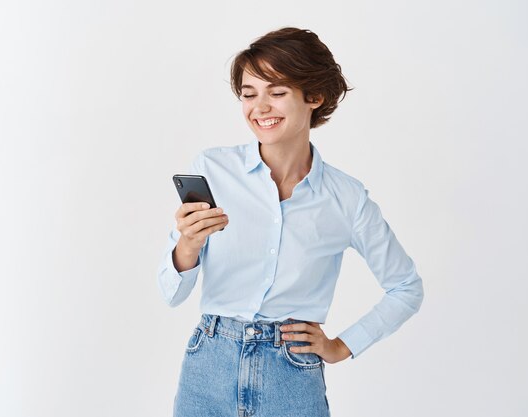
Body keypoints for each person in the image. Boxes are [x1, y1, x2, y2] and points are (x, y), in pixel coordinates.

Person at [157, 27, 424, 417]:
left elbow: (406, 287)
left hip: (291, 375)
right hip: (209, 365)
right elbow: (171, 294)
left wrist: (343, 345)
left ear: (313, 97)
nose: (260, 107)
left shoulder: (346, 198)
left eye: (276, 92)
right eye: (249, 95)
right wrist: (187, 246)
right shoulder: (214, 169)